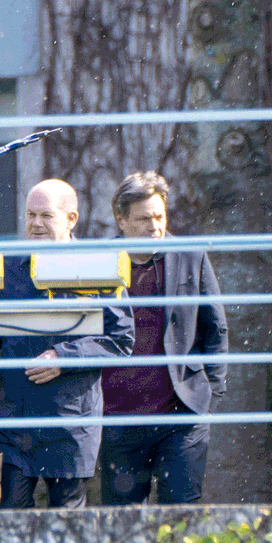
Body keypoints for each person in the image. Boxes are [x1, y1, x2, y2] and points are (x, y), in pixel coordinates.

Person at [0, 179, 134, 509]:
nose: (35, 224)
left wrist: (63, 357)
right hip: (17, 424)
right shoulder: (8, 268)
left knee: (67, 530)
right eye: (30, 215)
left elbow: (121, 339)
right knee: (11, 525)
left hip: (71, 427)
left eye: (46, 215)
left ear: (71, 219)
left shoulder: (97, 268)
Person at [99, 171, 228, 505]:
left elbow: (216, 328)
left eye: (159, 216)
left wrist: (210, 394)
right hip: (118, 417)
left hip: (181, 414)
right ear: (121, 220)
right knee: (121, 522)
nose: (155, 226)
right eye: (143, 219)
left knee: (181, 516)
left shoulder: (190, 256)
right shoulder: (98, 262)